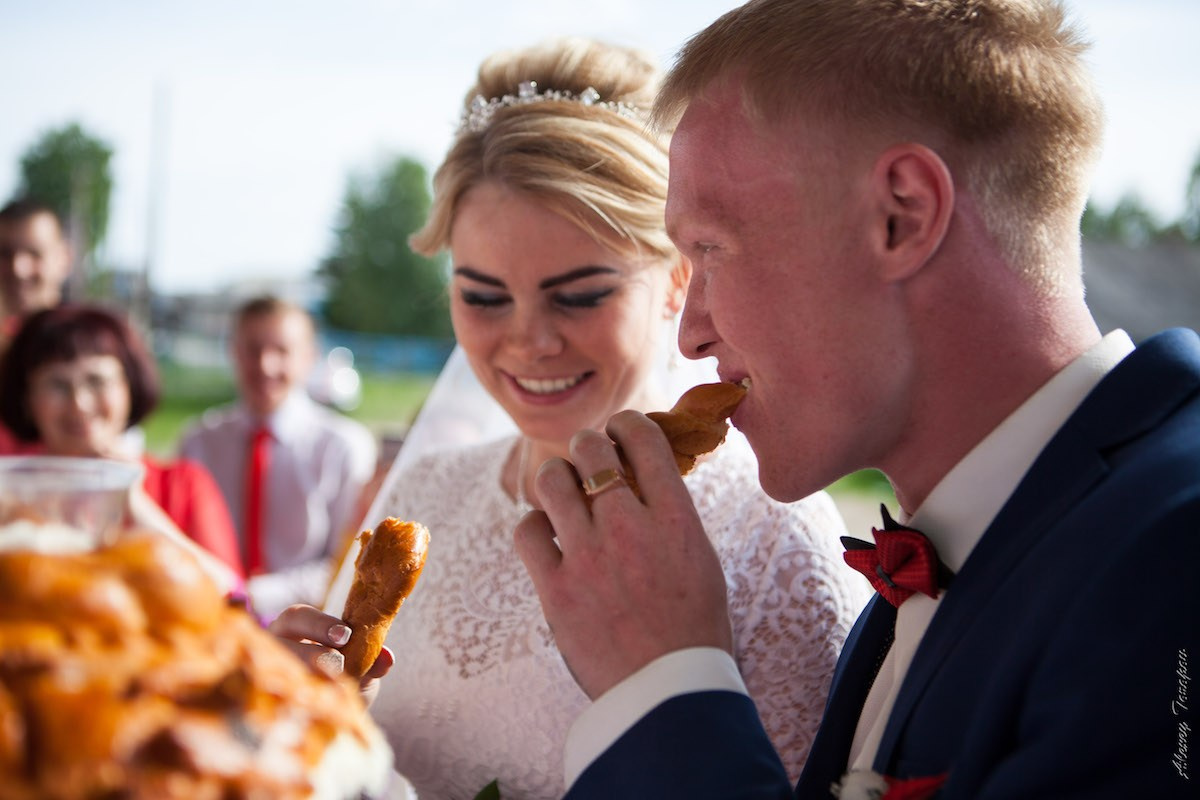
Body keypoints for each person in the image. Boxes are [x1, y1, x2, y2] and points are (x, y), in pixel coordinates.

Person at [511, 1, 1200, 798]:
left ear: (901, 216)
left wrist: (664, 686)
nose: (691, 336)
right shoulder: (926, 567)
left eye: (710, 247)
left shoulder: (1175, 550)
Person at [310, 37, 866, 800]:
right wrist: (310, 718)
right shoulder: (425, 494)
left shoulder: (771, 533)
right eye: (482, 295)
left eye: (578, 295)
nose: (530, 340)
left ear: (676, 280)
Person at [0, 304, 244, 584]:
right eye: (57, 385)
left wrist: (137, 507)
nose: (79, 404)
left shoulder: (180, 485)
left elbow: (236, 597)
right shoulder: (11, 494)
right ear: (27, 400)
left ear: (128, 387)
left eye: (96, 381)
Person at [180, 296, 377, 620]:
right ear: (233, 352)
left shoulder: (343, 447)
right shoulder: (199, 441)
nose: (265, 365)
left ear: (309, 358)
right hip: (207, 619)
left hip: (303, 626)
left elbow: (347, 562)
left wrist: (249, 593)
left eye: (281, 351)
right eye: (252, 349)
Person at [0, 198, 73, 342]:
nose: (18, 269)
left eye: (34, 253)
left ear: (64, 260)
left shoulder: (83, 347)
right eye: (5, 253)